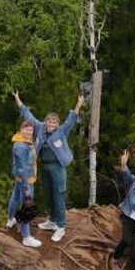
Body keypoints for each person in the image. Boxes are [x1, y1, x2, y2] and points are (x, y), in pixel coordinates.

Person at [14, 91, 83, 242]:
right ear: (45, 122)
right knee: (49, 195)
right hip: (45, 167)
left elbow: (71, 120)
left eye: (54, 123)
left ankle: (61, 226)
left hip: (58, 167)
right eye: (49, 122)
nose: (51, 125)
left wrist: (78, 104)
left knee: (59, 195)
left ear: (58, 124)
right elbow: (28, 116)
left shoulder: (62, 131)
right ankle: (51, 220)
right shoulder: (40, 128)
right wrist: (18, 100)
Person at [6, 119, 42, 248]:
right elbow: (22, 167)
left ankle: (10, 219)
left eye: (31, 130)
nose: (29, 132)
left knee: (15, 197)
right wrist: (26, 186)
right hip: (26, 179)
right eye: (26, 129)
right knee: (27, 206)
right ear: (21, 130)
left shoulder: (26, 141)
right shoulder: (21, 146)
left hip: (21, 178)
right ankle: (26, 237)